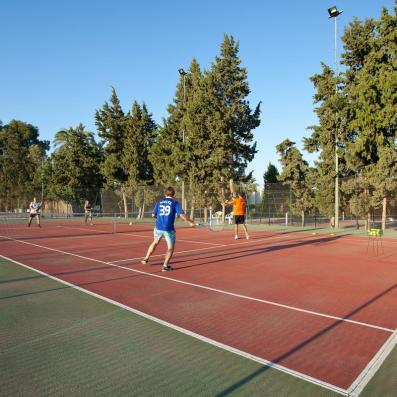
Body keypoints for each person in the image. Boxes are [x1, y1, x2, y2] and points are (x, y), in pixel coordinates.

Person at [141, 186, 195, 271]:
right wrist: (191, 221)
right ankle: (165, 266)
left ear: (165, 193)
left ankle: (145, 258)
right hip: (168, 229)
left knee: (155, 242)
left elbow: (153, 215)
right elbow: (183, 217)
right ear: (173, 194)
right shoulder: (175, 202)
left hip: (158, 227)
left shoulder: (159, 201)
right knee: (170, 248)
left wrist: (161, 218)